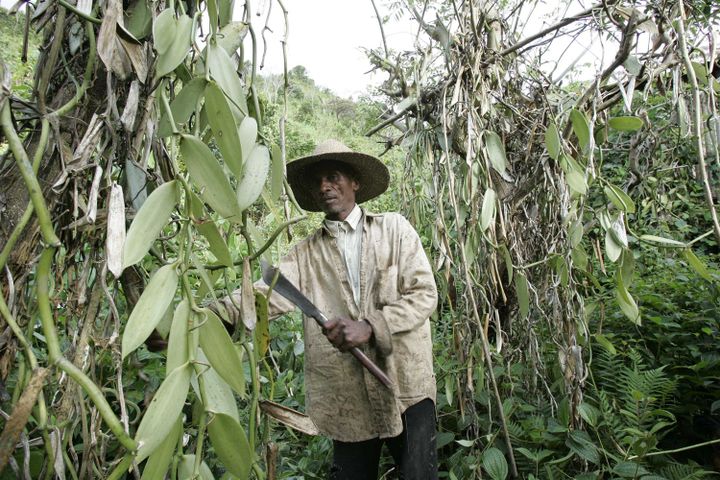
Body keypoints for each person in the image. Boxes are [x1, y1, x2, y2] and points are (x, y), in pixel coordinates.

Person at [217, 139, 438, 479]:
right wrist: (206, 318)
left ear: (355, 183)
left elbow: (423, 294)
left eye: (333, 176)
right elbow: (261, 297)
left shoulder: (395, 230)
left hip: (406, 385)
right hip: (349, 399)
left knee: (419, 475)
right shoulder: (305, 255)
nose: (324, 186)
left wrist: (371, 325)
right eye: (318, 181)